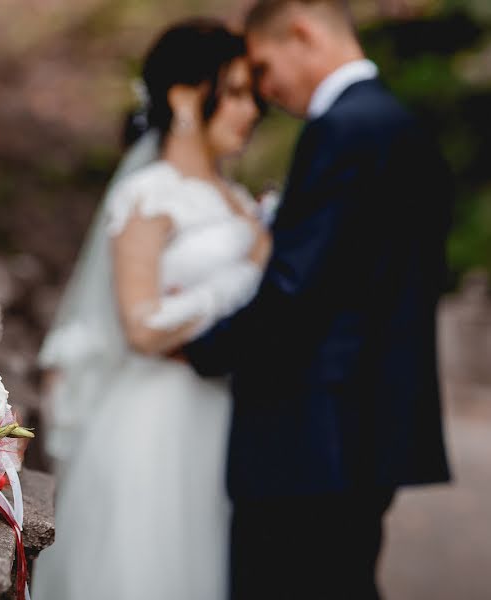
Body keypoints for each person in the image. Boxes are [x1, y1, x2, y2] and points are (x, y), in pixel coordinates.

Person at [182, 1, 452, 598]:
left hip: (310, 433)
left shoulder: (344, 128)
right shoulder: (397, 122)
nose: (265, 89)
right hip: (365, 424)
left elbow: (295, 291)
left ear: (302, 35)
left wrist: (198, 348)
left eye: (263, 66)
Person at [31, 20, 269, 599]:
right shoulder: (148, 194)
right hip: (155, 419)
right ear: (184, 96)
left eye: (253, 96)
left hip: (225, 413)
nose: (251, 111)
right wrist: (236, 282)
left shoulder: (239, 200)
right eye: (235, 92)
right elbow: (140, 327)